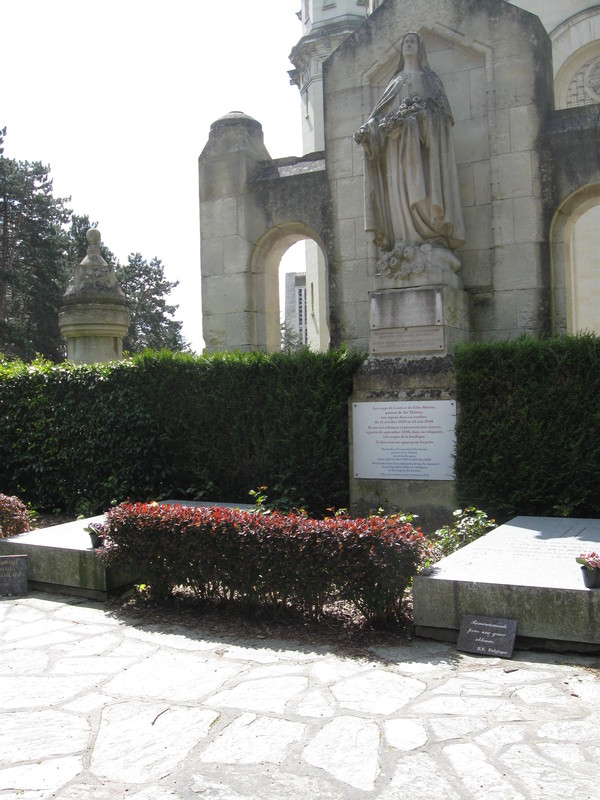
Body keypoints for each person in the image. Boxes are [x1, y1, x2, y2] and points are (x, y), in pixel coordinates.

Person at [355, 32, 465, 265]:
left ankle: (430, 239)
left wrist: (420, 119)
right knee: (399, 195)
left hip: (423, 152)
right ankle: (403, 241)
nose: (407, 45)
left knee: (423, 193)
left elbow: (444, 119)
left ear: (420, 48)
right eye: (404, 42)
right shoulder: (395, 83)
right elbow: (380, 118)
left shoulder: (430, 80)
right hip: (395, 152)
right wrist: (369, 132)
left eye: (412, 42)